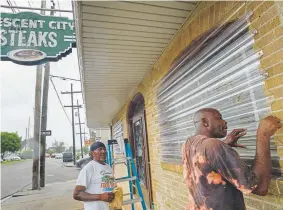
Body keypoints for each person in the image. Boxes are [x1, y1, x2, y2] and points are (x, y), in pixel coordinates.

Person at [182, 108, 282, 210]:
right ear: (205, 122)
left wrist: (224, 144)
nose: (225, 121)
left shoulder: (188, 143)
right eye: (219, 118)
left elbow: (203, 159)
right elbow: (260, 188)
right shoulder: (213, 146)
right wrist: (263, 134)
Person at [73, 142, 115, 210]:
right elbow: (76, 194)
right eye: (99, 149)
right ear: (92, 153)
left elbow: (108, 188)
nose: (103, 151)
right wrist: (100, 197)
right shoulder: (89, 168)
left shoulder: (108, 167)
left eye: (104, 149)